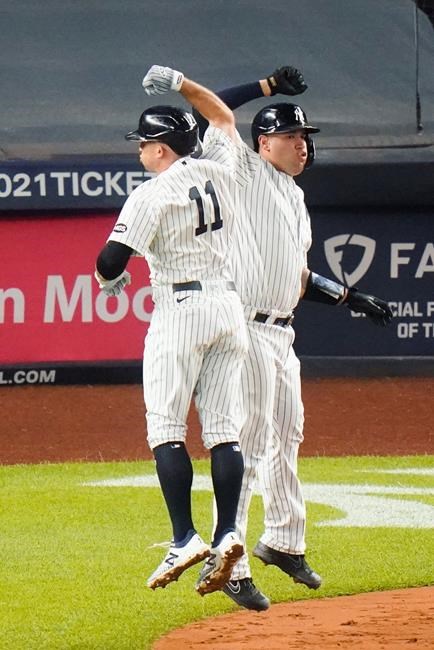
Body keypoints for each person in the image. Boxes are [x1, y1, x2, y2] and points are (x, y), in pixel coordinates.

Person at [189, 66, 393, 611]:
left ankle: (283, 541)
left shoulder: (294, 197)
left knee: (289, 435)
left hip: (282, 335)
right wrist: (266, 89)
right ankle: (225, 562)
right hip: (245, 329)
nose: (304, 145)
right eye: (293, 136)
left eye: (306, 137)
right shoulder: (243, 172)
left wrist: (350, 297)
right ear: (263, 142)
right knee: (249, 445)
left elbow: (296, 275)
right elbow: (213, 110)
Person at [95, 65, 250, 596]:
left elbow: (111, 260)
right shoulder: (225, 171)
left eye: (144, 143)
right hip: (229, 307)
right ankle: (228, 530)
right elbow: (224, 116)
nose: (139, 151)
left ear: (161, 148)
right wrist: (183, 82)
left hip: (179, 309)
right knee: (224, 431)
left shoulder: (151, 194)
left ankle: (185, 536)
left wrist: (108, 280)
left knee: (165, 428)